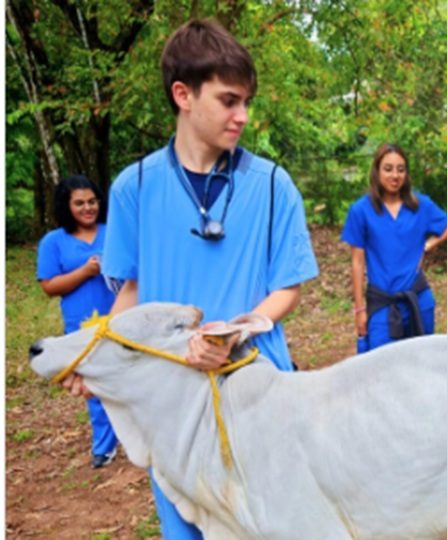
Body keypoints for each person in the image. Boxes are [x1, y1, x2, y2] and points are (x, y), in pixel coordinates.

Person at [62, 19, 319, 539]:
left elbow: (287, 287)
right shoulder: (134, 187)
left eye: (246, 101)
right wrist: (98, 355)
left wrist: (233, 333)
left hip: (257, 396)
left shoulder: (272, 185)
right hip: (172, 402)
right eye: (228, 100)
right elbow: (131, 290)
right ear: (183, 94)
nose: (242, 116)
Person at [37, 175, 120, 469]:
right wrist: (84, 272)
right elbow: (48, 285)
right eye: (80, 203)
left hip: (120, 318)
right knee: (94, 384)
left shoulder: (114, 232)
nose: (88, 208)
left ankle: (138, 436)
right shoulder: (54, 242)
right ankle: (105, 445)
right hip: (81, 325)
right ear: (66, 206)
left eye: (92, 202)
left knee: (128, 378)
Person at [341, 143, 447, 352]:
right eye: (388, 169)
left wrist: (427, 246)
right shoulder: (361, 210)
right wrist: (359, 310)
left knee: (423, 364)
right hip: (383, 304)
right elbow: (357, 262)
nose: (395, 176)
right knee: (381, 369)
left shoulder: (420, 205)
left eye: (401, 169)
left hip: (418, 300)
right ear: (376, 171)